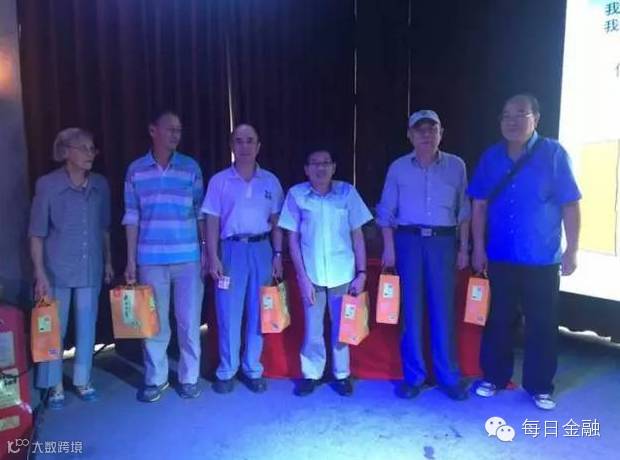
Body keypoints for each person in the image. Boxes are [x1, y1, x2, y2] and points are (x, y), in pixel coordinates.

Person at [468, 93, 581, 410]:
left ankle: (540, 386)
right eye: (506, 115)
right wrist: (478, 247)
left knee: (542, 324)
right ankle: (494, 377)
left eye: (520, 114)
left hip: (541, 258)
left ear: (536, 118)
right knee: (499, 320)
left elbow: (570, 205)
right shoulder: (491, 157)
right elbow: (479, 204)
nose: (512, 121)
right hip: (500, 255)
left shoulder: (554, 154)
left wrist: (572, 250)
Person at [377, 109, 471, 401]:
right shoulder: (398, 168)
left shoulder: (456, 165)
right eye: (420, 130)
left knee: (443, 311)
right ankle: (414, 376)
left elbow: (464, 210)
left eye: (432, 129)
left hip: (443, 243)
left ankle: (448, 377)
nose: (426, 135)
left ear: (441, 133)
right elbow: (385, 212)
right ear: (410, 135)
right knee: (411, 311)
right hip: (408, 242)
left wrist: (464, 247)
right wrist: (389, 248)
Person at [123, 110, 205, 402]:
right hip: (150, 258)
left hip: (188, 257)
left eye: (178, 130)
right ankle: (156, 379)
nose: (175, 135)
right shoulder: (136, 170)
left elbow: (200, 213)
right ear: (153, 130)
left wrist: (206, 252)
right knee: (154, 323)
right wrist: (130, 260)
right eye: (170, 129)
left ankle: (189, 377)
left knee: (189, 321)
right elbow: (131, 216)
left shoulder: (190, 167)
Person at [29, 127, 113, 409]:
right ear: (66, 152)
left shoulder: (100, 185)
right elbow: (36, 233)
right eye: (84, 148)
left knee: (87, 325)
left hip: (90, 267)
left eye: (92, 148)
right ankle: (53, 384)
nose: (90, 154)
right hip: (57, 270)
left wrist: (109, 261)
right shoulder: (48, 185)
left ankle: (82, 379)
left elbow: (104, 228)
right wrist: (39, 272)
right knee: (55, 328)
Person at [278, 148, 372, 397]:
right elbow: (292, 239)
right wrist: (302, 277)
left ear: (334, 167)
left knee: (342, 326)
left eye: (325, 163)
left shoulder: (347, 193)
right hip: (311, 274)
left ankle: (342, 374)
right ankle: (312, 374)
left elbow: (357, 234)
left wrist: (362, 272)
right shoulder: (296, 195)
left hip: (343, 272)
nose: (320, 168)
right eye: (315, 163)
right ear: (306, 169)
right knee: (312, 328)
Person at [202, 124, 284, 394]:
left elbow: (277, 222)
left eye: (250, 141)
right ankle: (227, 370)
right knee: (228, 312)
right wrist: (212, 255)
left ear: (258, 146)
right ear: (232, 146)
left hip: (261, 249)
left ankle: (252, 368)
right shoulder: (220, 181)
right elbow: (211, 221)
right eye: (239, 141)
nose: (245, 146)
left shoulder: (270, 181)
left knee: (258, 312)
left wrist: (278, 254)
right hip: (231, 250)